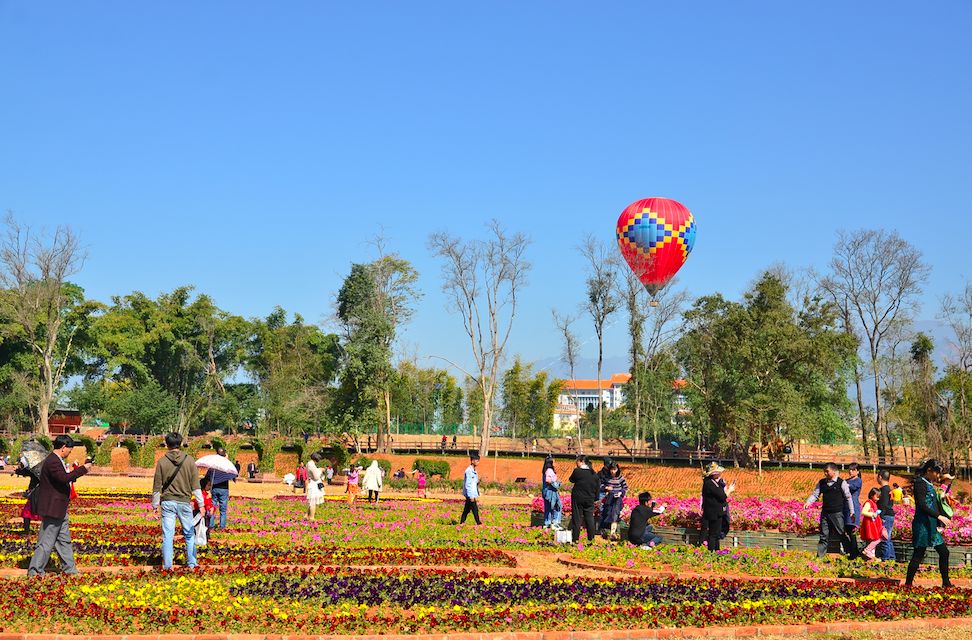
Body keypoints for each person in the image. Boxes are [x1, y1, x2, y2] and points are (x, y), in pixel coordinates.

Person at [27, 435, 91, 576]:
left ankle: (70, 570)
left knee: (64, 541)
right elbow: (64, 478)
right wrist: (83, 469)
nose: (70, 452)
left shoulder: (56, 460)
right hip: (53, 509)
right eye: (70, 449)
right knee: (46, 542)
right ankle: (35, 571)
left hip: (59, 508)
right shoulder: (53, 461)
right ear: (63, 448)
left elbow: (63, 479)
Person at [151, 432, 203, 571]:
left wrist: (155, 505)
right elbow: (196, 486)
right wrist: (201, 504)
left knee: (168, 534)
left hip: (168, 502)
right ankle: (192, 563)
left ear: (167, 444)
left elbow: (157, 486)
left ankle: (168, 566)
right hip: (184, 502)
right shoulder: (190, 460)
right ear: (180, 443)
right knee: (189, 533)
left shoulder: (162, 462)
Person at [904, 459, 953, 588]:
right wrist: (939, 516)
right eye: (937, 473)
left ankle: (946, 583)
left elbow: (934, 505)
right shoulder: (920, 483)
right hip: (922, 525)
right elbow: (922, 505)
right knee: (918, 554)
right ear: (929, 470)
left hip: (931, 526)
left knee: (944, 552)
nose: (938, 476)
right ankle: (908, 584)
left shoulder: (929, 484)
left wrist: (939, 521)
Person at [804, 463, 858, 559]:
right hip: (825, 513)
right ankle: (820, 556)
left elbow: (848, 497)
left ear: (833, 471)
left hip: (837, 513)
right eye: (824, 471)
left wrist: (852, 511)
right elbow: (815, 494)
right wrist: (808, 502)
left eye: (827, 471)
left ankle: (850, 553)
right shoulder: (822, 483)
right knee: (823, 535)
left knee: (841, 533)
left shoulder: (841, 483)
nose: (825, 473)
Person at [701, 462, 734, 551]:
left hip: (716, 512)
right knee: (713, 534)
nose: (720, 473)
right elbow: (722, 496)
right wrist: (729, 490)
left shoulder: (713, 483)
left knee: (716, 533)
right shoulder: (710, 484)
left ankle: (717, 551)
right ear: (713, 474)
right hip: (713, 513)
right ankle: (711, 552)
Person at [569, 455, 599, 544]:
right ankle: (591, 539)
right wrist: (595, 499)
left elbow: (571, 480)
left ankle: (575, 539)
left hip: (578, 498)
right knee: (589, 519)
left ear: (581, 461)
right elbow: (597, 488)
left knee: (577, 519)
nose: (576, 463)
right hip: (590, 499)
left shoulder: (577, 471)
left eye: (577, 461)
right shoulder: (594, 474)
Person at [598, 463, 628, 538]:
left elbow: (625, 488)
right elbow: (600, 485)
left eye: (614, 469)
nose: (613, 471)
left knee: (615, 514)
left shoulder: (620, 478)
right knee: (606, 513)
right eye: (611, 469)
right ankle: (604, 531)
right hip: (609, 498)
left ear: (617, 469)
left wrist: (621, 493)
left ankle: (612, 532)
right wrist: (606, 487)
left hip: (617, 498)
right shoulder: (606, 477)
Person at [206, 447, 232, 529]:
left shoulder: (213, 466)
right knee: (223, 510)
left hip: (214, 488)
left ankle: (211, 525)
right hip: (224, 489)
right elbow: (233, 475)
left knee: (212, 507)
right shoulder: (227, 466)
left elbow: (207, 476)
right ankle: (222, 526)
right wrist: (227, 460)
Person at [859, 488, 885, 560]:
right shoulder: (869, 502)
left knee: (874, 540)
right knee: (876, 539)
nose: (878, 499)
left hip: (873, 525)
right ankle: (868, 551)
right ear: (872, 495)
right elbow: (863, 512)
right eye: (877, 496)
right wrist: (872, 514)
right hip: (870, 525)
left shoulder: (874, 503)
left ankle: (870, 557)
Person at [876, 470, 896, 561]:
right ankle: (891, 557)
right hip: (890, 515)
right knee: (888, 537)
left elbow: (883, 505)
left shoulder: (884, 490)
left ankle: (886, 558)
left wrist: (881, 517)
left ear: (880, 477)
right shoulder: (889, 489)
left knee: (884, 537)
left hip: (886, 515)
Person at [844, 463, 863, 558]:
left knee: (851, 530)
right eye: (850, 469)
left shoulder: (858, 481)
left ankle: (853, 553)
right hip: (845, 507)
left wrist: (843, 484)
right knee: (845, 530)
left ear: (857, 471)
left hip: (853, 507)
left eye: (853, 470)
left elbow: (851, 487)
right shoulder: (846, 481)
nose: (850, 471)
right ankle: (852, 550)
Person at [193, 476, 216, 547]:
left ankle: (205, 538)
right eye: (208, 485)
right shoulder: (200, 494)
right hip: (199, 513)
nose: (210, 486)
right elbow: (200, 503)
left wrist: (212, 508)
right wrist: (207, 499)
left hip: (206, 514)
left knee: (205, 526)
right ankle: (198, 538)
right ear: (203, 485)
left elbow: (210, 504)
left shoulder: (207, 494)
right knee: (198, 527)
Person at [541, 455, 563, 530]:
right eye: (554, 462)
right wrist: (556, 484)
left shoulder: (545, 470)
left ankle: (547, 523)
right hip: (551, 492)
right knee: (558, 506)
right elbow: (548, 480)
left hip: (546, 491)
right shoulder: (550, 470)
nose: (555, 463)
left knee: (548, 508)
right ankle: (555, 523)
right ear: (550, 463)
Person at [460, 453, 482, 525]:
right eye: (477, 460)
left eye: (478, 461)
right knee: (475, 508)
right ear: (472, 461)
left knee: (467, 509)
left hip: (472, 493)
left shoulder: (474, 470)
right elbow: (468, 484)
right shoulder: (469, 471)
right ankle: (478, 523)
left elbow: (474, 482)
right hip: (470, 494)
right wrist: (470, 496)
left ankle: (462, 522)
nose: (478, 462)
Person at [305, 453, 325, 520]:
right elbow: (316, 477)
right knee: (313, 502)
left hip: (312, 483)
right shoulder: (311, 465)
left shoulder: (309, 463)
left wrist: (318, 469)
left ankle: (307, 515)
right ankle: (311, 517)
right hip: (313, 484)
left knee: (311, 501)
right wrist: (320, 470)